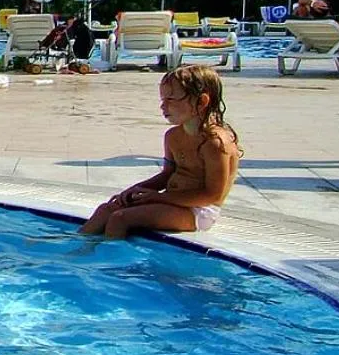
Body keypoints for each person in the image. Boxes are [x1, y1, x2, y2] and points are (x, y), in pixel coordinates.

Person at [78, 65, 239, 239]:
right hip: (171, 200)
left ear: (201, 102)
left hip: (199, 211)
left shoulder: (215, 144)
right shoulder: (173, 136)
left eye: (170, 99)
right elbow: (166, 175)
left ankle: (111, 261)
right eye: (163, 100)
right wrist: (133, 191)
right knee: (106, 209)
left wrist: (159, 198)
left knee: (120, 219)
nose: (163, 106)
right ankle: (77, 250)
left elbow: (212, 195)